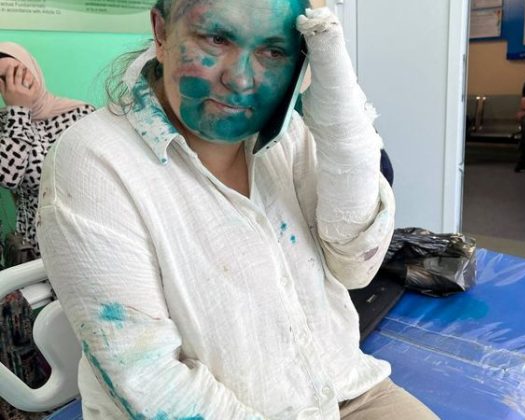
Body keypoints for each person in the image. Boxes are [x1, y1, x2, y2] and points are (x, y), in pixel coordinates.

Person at [37, 1, 437, 419]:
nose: (241, 79)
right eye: (217, 38)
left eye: (273, 51)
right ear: (161, 31)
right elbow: (150, 380)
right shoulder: (93, 162)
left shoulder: (290, 134)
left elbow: (356, 264)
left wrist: (335, 93)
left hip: (344, 389)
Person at [0, 42, 95, 259]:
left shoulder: (80, 113)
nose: (15, 83)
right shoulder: (4, 122)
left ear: (33, 70)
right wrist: (19, 112)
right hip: (32, 244)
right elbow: (8, 177)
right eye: (4, 79)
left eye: (18, 72)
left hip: (77, 237)